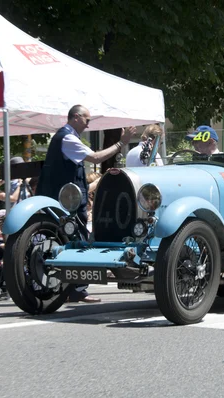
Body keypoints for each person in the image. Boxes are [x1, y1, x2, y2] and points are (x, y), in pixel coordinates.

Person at [37, 104, 136, 303]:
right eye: (86, 119)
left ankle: (70, 288)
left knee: (70, 240)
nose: (89, 124)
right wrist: (121, 143)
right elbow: (95, 157)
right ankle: (78, 290)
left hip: (63, 198)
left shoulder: (64, 137)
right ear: (75, 117)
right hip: (68, 202)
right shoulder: (67, 137)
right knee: (79, 241)